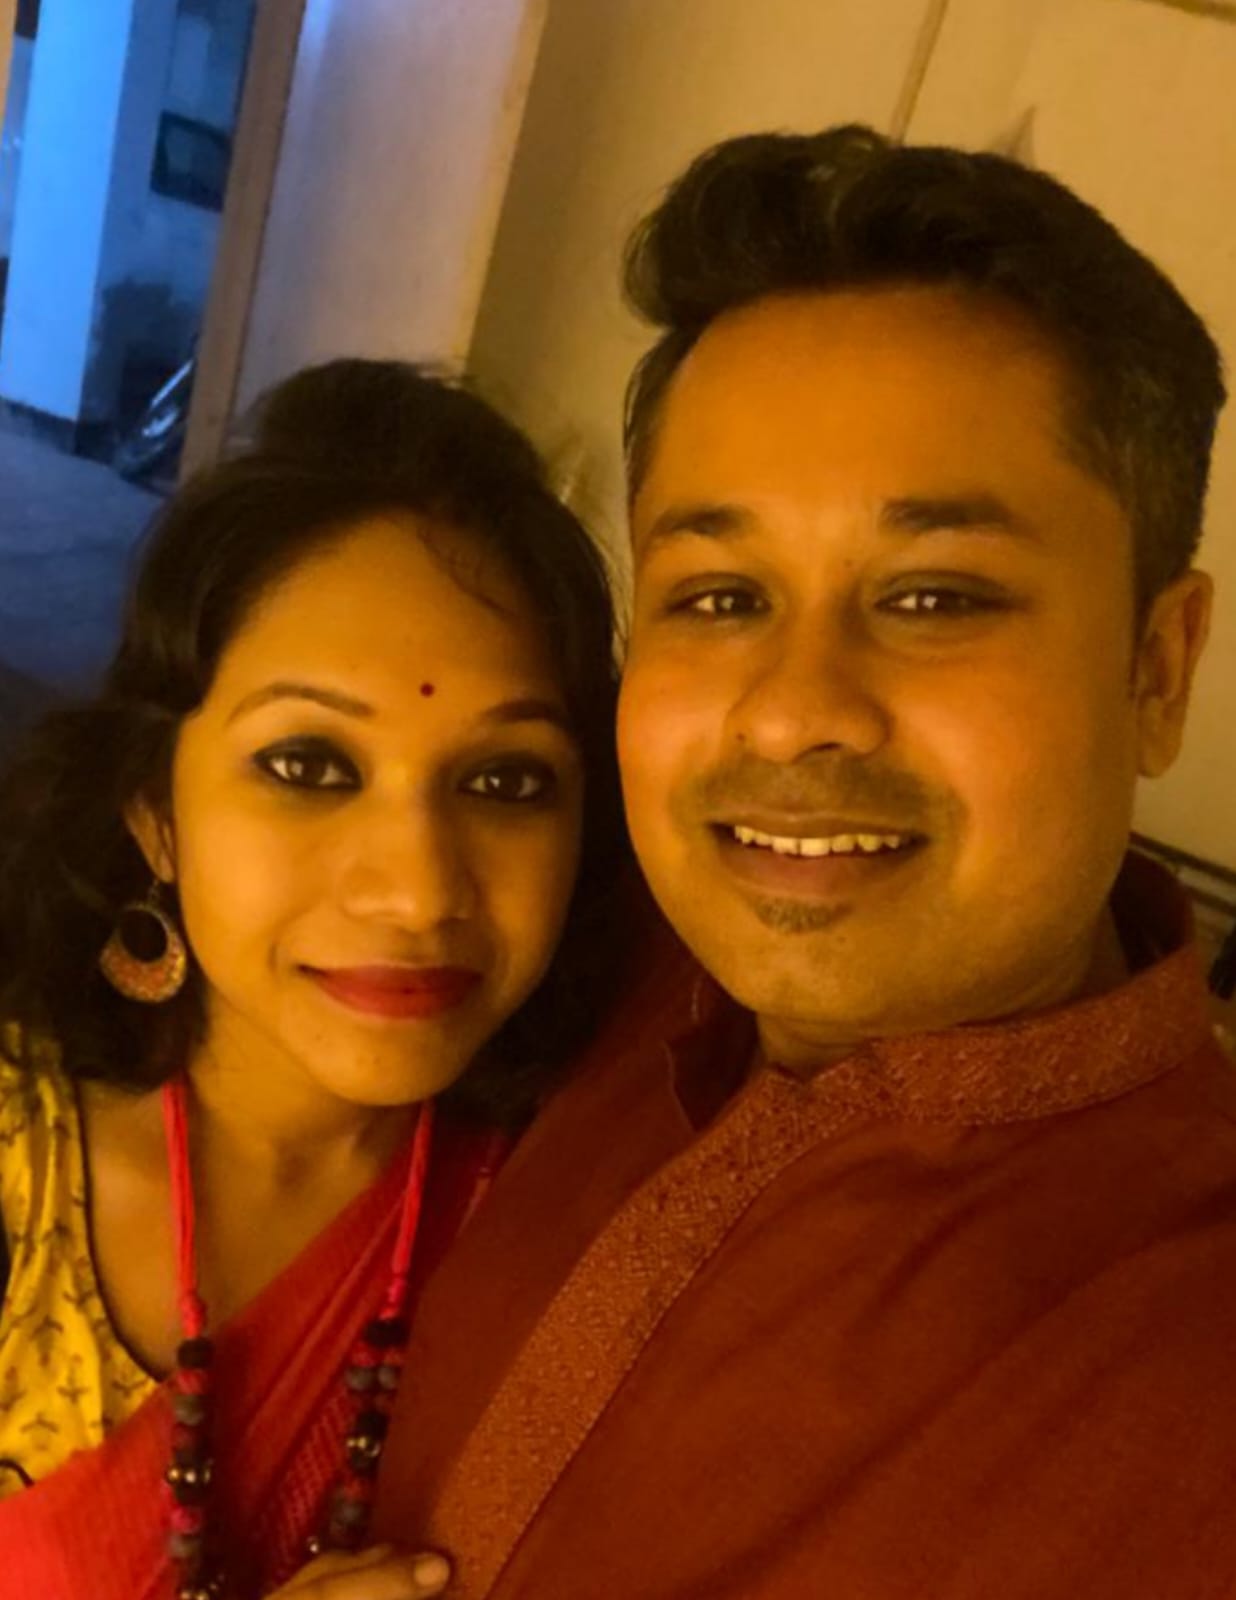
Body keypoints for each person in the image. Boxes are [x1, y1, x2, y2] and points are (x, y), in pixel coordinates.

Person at [369, 126, 1236, 1597]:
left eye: (934, 596)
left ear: (1156, 667)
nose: (791, 708)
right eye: (719, 595)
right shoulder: (572, 974)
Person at [0, 359, 624, 1599]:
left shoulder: (573, 1188)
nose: (418, 890)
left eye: (506, 781)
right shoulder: (21, 1173)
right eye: (308, 766)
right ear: (155, 812)